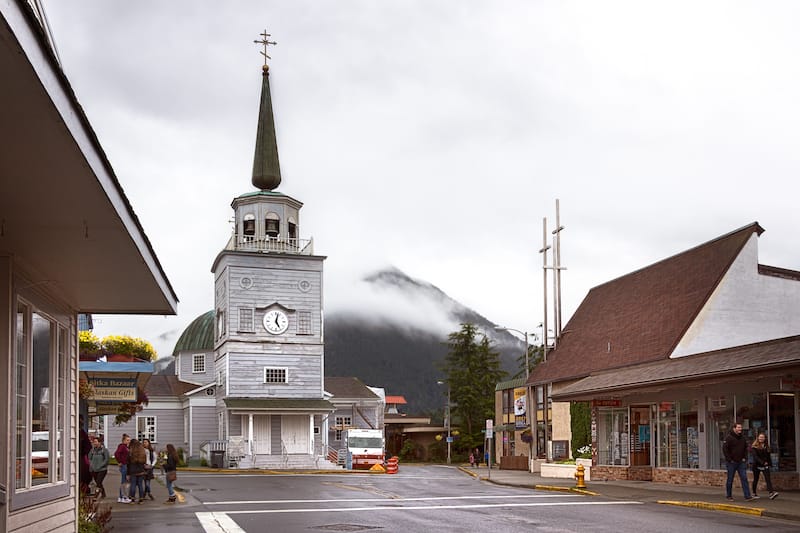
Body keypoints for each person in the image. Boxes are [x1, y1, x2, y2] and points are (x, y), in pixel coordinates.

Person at [722, 422, 756, 501]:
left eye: (741, 427)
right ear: (734, 428)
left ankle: (747, 496)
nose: (740, 429)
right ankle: (729, 495)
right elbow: (725, 450)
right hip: (731, 463)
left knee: (744, 478)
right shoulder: (728, 438)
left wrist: (745, 458)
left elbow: (745, 449)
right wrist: (730, 460)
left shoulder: (743, 438)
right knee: (730, 479)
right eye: (738, 427)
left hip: (741, 462)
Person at [751, 432, 778, 500]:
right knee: (756, 479)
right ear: (758, 438)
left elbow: (768, 456)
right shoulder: (754, 447)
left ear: (765, 438)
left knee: (768, 479)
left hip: (765, 465)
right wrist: (763, 462)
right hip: (757, 465)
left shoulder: (766, 446)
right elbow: (755, 457)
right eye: (760, 437)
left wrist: (770, 464)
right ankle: (754, 493)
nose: (761, 438)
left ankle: (771, 493)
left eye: (763, 437)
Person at [127, 439, 147, 503]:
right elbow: (144, 462)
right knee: (140, 485)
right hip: (141, 470)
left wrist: (128, 473)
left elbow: (128, 463)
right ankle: (141, 499)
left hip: (133, 470)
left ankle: (132, 499)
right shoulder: (142, 452)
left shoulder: (131, 452)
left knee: (133, 485)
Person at [114, 433, 131, 503]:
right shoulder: (122, 446)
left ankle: (121, 497)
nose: (128, 441)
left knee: (124, 481)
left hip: (125, 465)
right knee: (124, 481)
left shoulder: (126, 447)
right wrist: (120, 461)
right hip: (124, 465)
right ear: (124, 440)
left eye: (129, 440)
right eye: (127, 440)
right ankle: (123, 496)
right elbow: (117, 453)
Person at [78, 415, 92, 495]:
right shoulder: (82, 434)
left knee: (84, 474)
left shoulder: (82, 434)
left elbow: (88, 447)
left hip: (81, 457)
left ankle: (83, 489)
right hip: (81, 457)